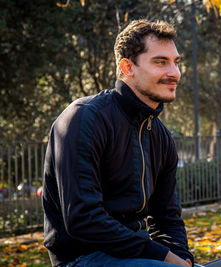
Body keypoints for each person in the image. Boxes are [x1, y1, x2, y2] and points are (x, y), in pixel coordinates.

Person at [42, 19, 194, 267]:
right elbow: (83, 218)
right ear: (128, 66)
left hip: (137, 253)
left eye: (176, 62)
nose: (174, 73)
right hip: (82, 258)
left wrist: (182, 257)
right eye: (160, 62)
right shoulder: (84, 118)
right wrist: (162, 257)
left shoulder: (161, 135)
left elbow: (167, 216)